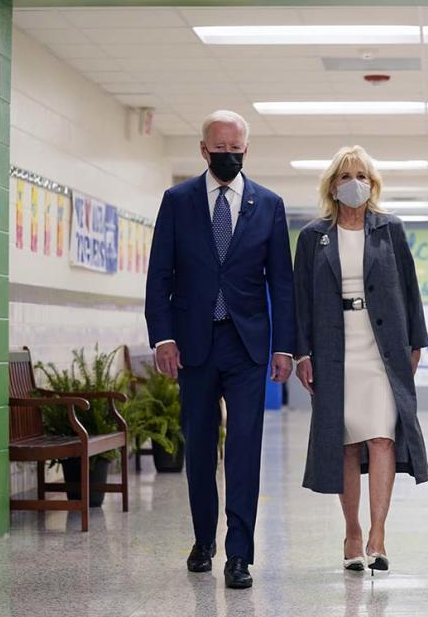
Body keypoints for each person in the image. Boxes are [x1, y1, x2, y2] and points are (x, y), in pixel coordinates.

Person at [145, 110, 295, 589]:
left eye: (236, 148)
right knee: (201, 448)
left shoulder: (268, 205)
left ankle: (240, 555)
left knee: (245, 450)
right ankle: (204, 540)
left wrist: (285, 347)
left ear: (246, 149)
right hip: (193, 345)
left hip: (247, 344)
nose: (228, 155)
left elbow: (283, 285)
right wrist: (163, 337)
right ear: (203, 149)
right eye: (220, 148)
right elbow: (159, 276)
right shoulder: (178, 201)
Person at [293, 145, 428, 573]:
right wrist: (301, 353)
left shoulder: (390, 229)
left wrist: (416, 343)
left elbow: (409, 288)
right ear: (332, 185)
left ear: (373, 185)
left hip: (381, 350)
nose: (355, 183)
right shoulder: (313, 236)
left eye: (363, 176)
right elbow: (299, 301)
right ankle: (352, 531)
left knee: (382, 437)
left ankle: (378, 533)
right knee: (346, 444)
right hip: (335, 350)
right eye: (346, 175)